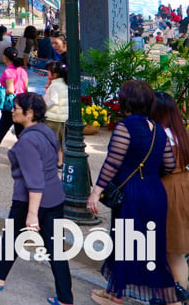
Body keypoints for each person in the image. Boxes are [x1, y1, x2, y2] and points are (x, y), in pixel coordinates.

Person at [0, 93, 72, 305]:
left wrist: (32, 214)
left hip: (30, 200)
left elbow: (34, 181)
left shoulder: (28, 140)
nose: (13, 110)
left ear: (29, 113)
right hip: (55, 196)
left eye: (17, 107)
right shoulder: (46, 131)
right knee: (56, 250)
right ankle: (66, 298)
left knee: (11, 239)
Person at [87, 81, 178, 305]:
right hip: (155, 194)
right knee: (151, 247)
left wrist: (95, 192)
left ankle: (116, 295)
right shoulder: (157, 129)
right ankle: (169, 298)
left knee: (125, 242)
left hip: (132, 194)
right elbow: (169, 164)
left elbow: (112, 163)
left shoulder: (126, 126)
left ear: (126, 102)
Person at [152, 92, 189, 298]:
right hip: (185, 185)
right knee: (178, 252)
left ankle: (176, 297)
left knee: (171, 251)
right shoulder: (181, 133)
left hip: (169, 190)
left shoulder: (160, 135)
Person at [43, 61, 68, 168]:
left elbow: (53, 101)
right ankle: (60, 162)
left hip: (53, 117)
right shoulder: (65, 84)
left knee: (51, 141)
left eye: (49, 71)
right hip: (63, 118)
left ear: (55, 74)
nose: (47, 73)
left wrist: (42, 107)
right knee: (61, 142)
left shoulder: (55, 86)